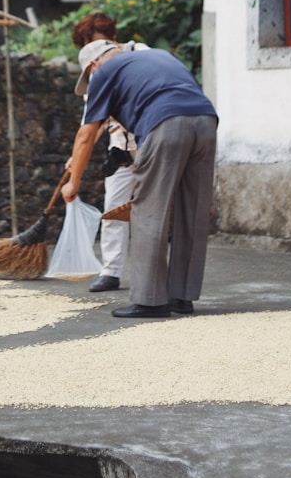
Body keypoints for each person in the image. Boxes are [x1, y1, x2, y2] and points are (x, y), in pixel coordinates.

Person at [63, 41, 218, 319]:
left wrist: (73, 184)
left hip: (166, 122)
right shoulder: (157, 56)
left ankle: (151, 301)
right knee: (192, 211)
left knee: (149, 211)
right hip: (206, 122)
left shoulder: (103, 73)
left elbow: (86, 135)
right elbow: (168, 108)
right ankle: (182, 297)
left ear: (93, 66)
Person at [70, 11, 147, 294]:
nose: (96, 52)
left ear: (113, 39)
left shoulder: (140, 53)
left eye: (100, 43)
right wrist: (77, 155)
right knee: (113, 209)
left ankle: (150, 273)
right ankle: (111, 271)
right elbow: (91, 122)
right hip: (119, 148)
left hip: (149, 141)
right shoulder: (94, 72)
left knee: (152, 210)